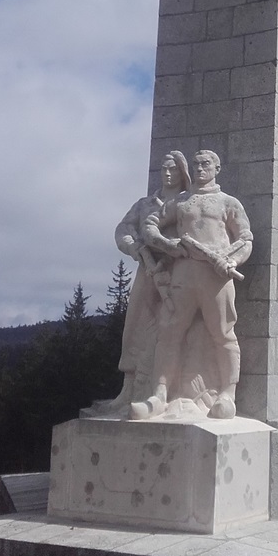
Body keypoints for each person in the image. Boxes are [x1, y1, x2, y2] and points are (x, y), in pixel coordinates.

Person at [138, 149, 253, 420]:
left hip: (217, 277)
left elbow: (246, 239)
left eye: (206, 164)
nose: (200, 169)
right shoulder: (181, 201)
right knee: (169, 332)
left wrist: (232, 262)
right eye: (196, 164)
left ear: (217, 169)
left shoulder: (228, 202)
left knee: (223, 334)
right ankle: (160, 394)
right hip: (184, 274)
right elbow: (150, 225)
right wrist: (167, 245)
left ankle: (228, 394)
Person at [83, 151, 190, 416]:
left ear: (182, 173)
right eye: (163, 168)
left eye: (173, 170)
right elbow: (123, 229)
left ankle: (165, 391)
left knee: (170, 330)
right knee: (135, 327)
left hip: (177, 272)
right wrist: (135, 248)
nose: (167, 174)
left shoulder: (187, 203)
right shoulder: (145, 204)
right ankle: (128, 391)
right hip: (147, 271)